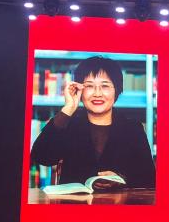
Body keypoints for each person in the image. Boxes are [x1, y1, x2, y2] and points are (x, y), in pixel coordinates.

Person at [29, 55, 155, 188]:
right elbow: (41, 157)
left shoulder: (133, 129)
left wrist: (122, 180)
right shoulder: (69, 124)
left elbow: (149, 179)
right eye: (89, 86)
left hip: (119, 201)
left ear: (117, 90)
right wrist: (68, 108)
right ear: (79, 90)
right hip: (73, 201)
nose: (97, 94)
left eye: (105, 86)